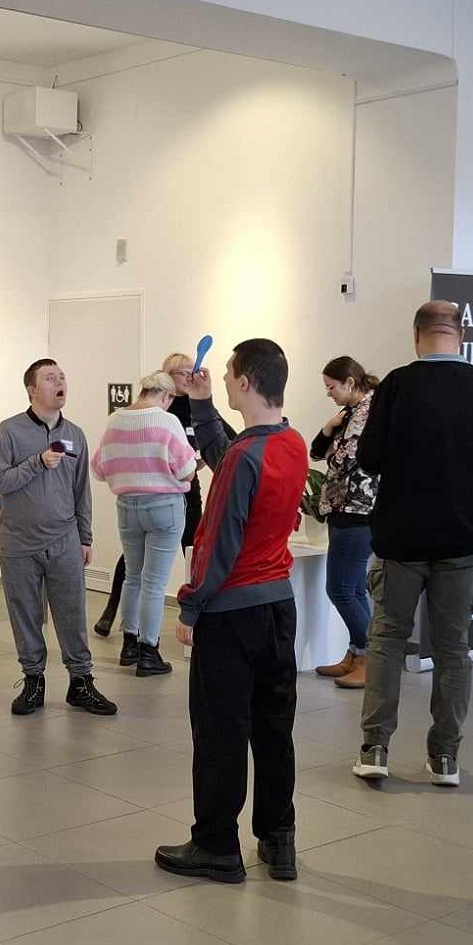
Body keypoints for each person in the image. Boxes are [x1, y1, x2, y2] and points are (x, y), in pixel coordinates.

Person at [154, 339, 309, 883]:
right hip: (278, 606)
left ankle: (216, 844)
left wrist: (190, 607)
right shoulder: (290, 442)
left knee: (220, 731)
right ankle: (279, 837)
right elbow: (234, 461)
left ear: (244, 382)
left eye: (225, 376)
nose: (220, 380)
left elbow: (217, 541)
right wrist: (201, 405)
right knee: (273, 726)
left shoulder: (246, 456)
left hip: (232, 615)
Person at [353, 301, 473, 786]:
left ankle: (375, 748)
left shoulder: (396, 386)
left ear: (416, 335)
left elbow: (368, 458)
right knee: (453, 649)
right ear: (461, 334)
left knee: (387, 641)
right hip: (464, 539)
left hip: (401, 537)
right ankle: (444, 757)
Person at [0, 359, 117, 717]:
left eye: (61, 377)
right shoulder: (10, 431)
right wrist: (38, 463)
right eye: (50, 378)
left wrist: (85, 537)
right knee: (26, 614)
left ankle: (81, 682)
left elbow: (81, 490)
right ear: (32, 390)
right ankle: (33, 681)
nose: (59, 382)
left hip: (64, 540)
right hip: (18, 542)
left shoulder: (75, 434)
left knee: (72, 612)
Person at [94, 351, 225, 637]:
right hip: (164, 497)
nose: (190, 376)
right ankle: (140, 640)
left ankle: (138, 637)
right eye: (183, 372)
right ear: (167, 379)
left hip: (167, 497)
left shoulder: (196, 405)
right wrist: (188, 464)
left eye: (193, 371)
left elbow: (99, 467)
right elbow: (184, 467)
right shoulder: (163, 415)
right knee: (145, 575)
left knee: (182, 555)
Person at [91, 369, 197, 676]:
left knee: (132, 576)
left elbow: (99, 469)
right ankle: (149, 652)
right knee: (154, 582)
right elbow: (187, 471)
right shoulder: (167, 421)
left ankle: (129, 645)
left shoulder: (115, 420)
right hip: (164, 507)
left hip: (127, 506)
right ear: (165, 395)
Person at [309, 355, 380, 688]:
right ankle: (356, 653)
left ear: (350, 382)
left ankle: (372, 658)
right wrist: (328, 428)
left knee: (338, 588)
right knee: (351, 588)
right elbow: (317, 452)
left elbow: (344, 459)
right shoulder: (349, 413)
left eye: (332, 387)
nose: (329, 393)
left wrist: (332, 442)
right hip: (343, 507)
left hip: (359, 510)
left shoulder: (369, 413)